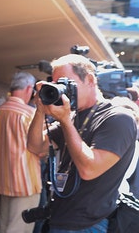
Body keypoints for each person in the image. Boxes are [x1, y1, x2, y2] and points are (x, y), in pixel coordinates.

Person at [27, 54, 137, 232]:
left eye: (66, 83)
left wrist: (65, 121)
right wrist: (40, 110)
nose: (61, 90)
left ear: (90, 80)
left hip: (89, 224)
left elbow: (89, 169)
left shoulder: (117, 118)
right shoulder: (72, 117)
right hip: (60, 217)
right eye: (57, 84)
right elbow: (35, 146)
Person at [0, 71, 42, 233]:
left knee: (5, 226)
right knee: (20, 228)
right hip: (26, 181)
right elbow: (40, 148)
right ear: (29, 89)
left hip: (3, 179)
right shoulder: (29, 113)